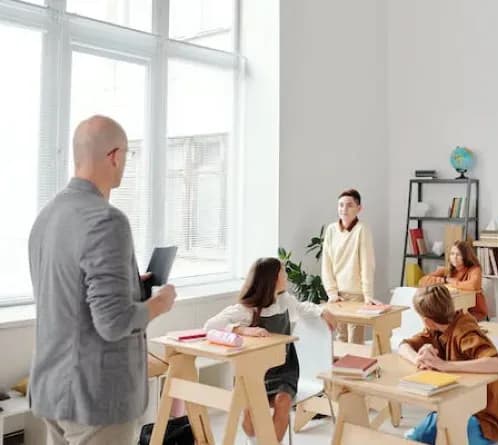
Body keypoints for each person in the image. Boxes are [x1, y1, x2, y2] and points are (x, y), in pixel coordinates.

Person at [28, 115, 177, 445]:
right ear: (115, 156)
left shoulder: (47, 217)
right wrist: (158, 304)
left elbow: (68, 292)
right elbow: (112, 323)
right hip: (95, 398)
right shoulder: (106, 220)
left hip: (52, 389)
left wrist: (127, 284)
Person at [203, 257, 336, 445]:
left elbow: (303, 308)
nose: (287, 276)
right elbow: (209, 326)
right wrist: (241, 329)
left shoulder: (284, 301)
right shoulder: (246, 310)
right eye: (283, 272)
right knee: (249, 422)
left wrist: (323, 311)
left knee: (283, 403)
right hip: (255, 374)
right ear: (272, 279)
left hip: (285, 370)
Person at [398, 285, 498, 444]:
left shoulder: (464, 331)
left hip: (486, 418)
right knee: (421, 435)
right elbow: (404, 345)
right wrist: (418, 359)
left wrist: (445, 365)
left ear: (427, 320)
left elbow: (497, 364)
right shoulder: (435, 330)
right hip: (457, 407)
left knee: (448, 434)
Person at [321, 188, 376, 344]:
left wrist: (368, 295)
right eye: (341, 205)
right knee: (340, 338)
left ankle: (357, 368)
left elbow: (367, 263)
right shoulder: (331, 230)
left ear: (359, 208)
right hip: (337, 295)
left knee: (355, 339)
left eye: (349, 205)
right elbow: (327, 263)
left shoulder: (362, 230)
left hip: (357, 294)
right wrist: (331, 292)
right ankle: (340, 369)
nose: (344, 209)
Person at [420, 240, 488, 321]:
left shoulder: (474, 269)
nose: (454, 257)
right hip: (452, 308)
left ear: (466, 256)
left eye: (458, 254)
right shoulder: (447, 270)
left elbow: (473, 286)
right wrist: (444, 280)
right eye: (452, 254)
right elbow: (422, 281)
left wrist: (453, 282)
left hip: (472, 310)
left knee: (448, 320)